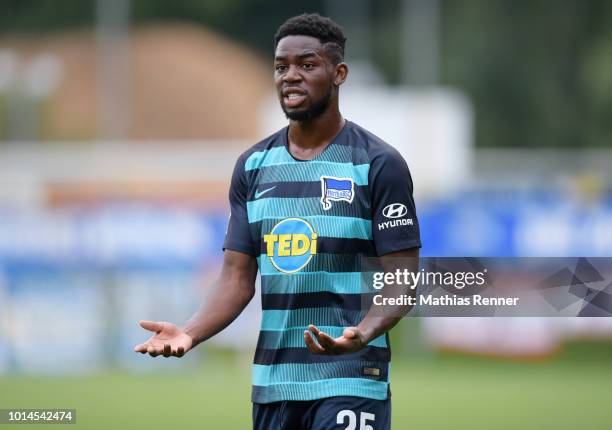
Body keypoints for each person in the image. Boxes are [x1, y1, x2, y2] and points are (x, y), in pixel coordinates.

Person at [134, 13, 420, 430]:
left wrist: (362, 332)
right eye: (281, 67)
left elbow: (403, 280)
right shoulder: (253, 167)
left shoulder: (378, 164)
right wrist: (189, 333)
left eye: (307, 65)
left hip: (352, 378)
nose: (290, 77)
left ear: (338, 73)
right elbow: (235, 279)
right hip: (275, 383)